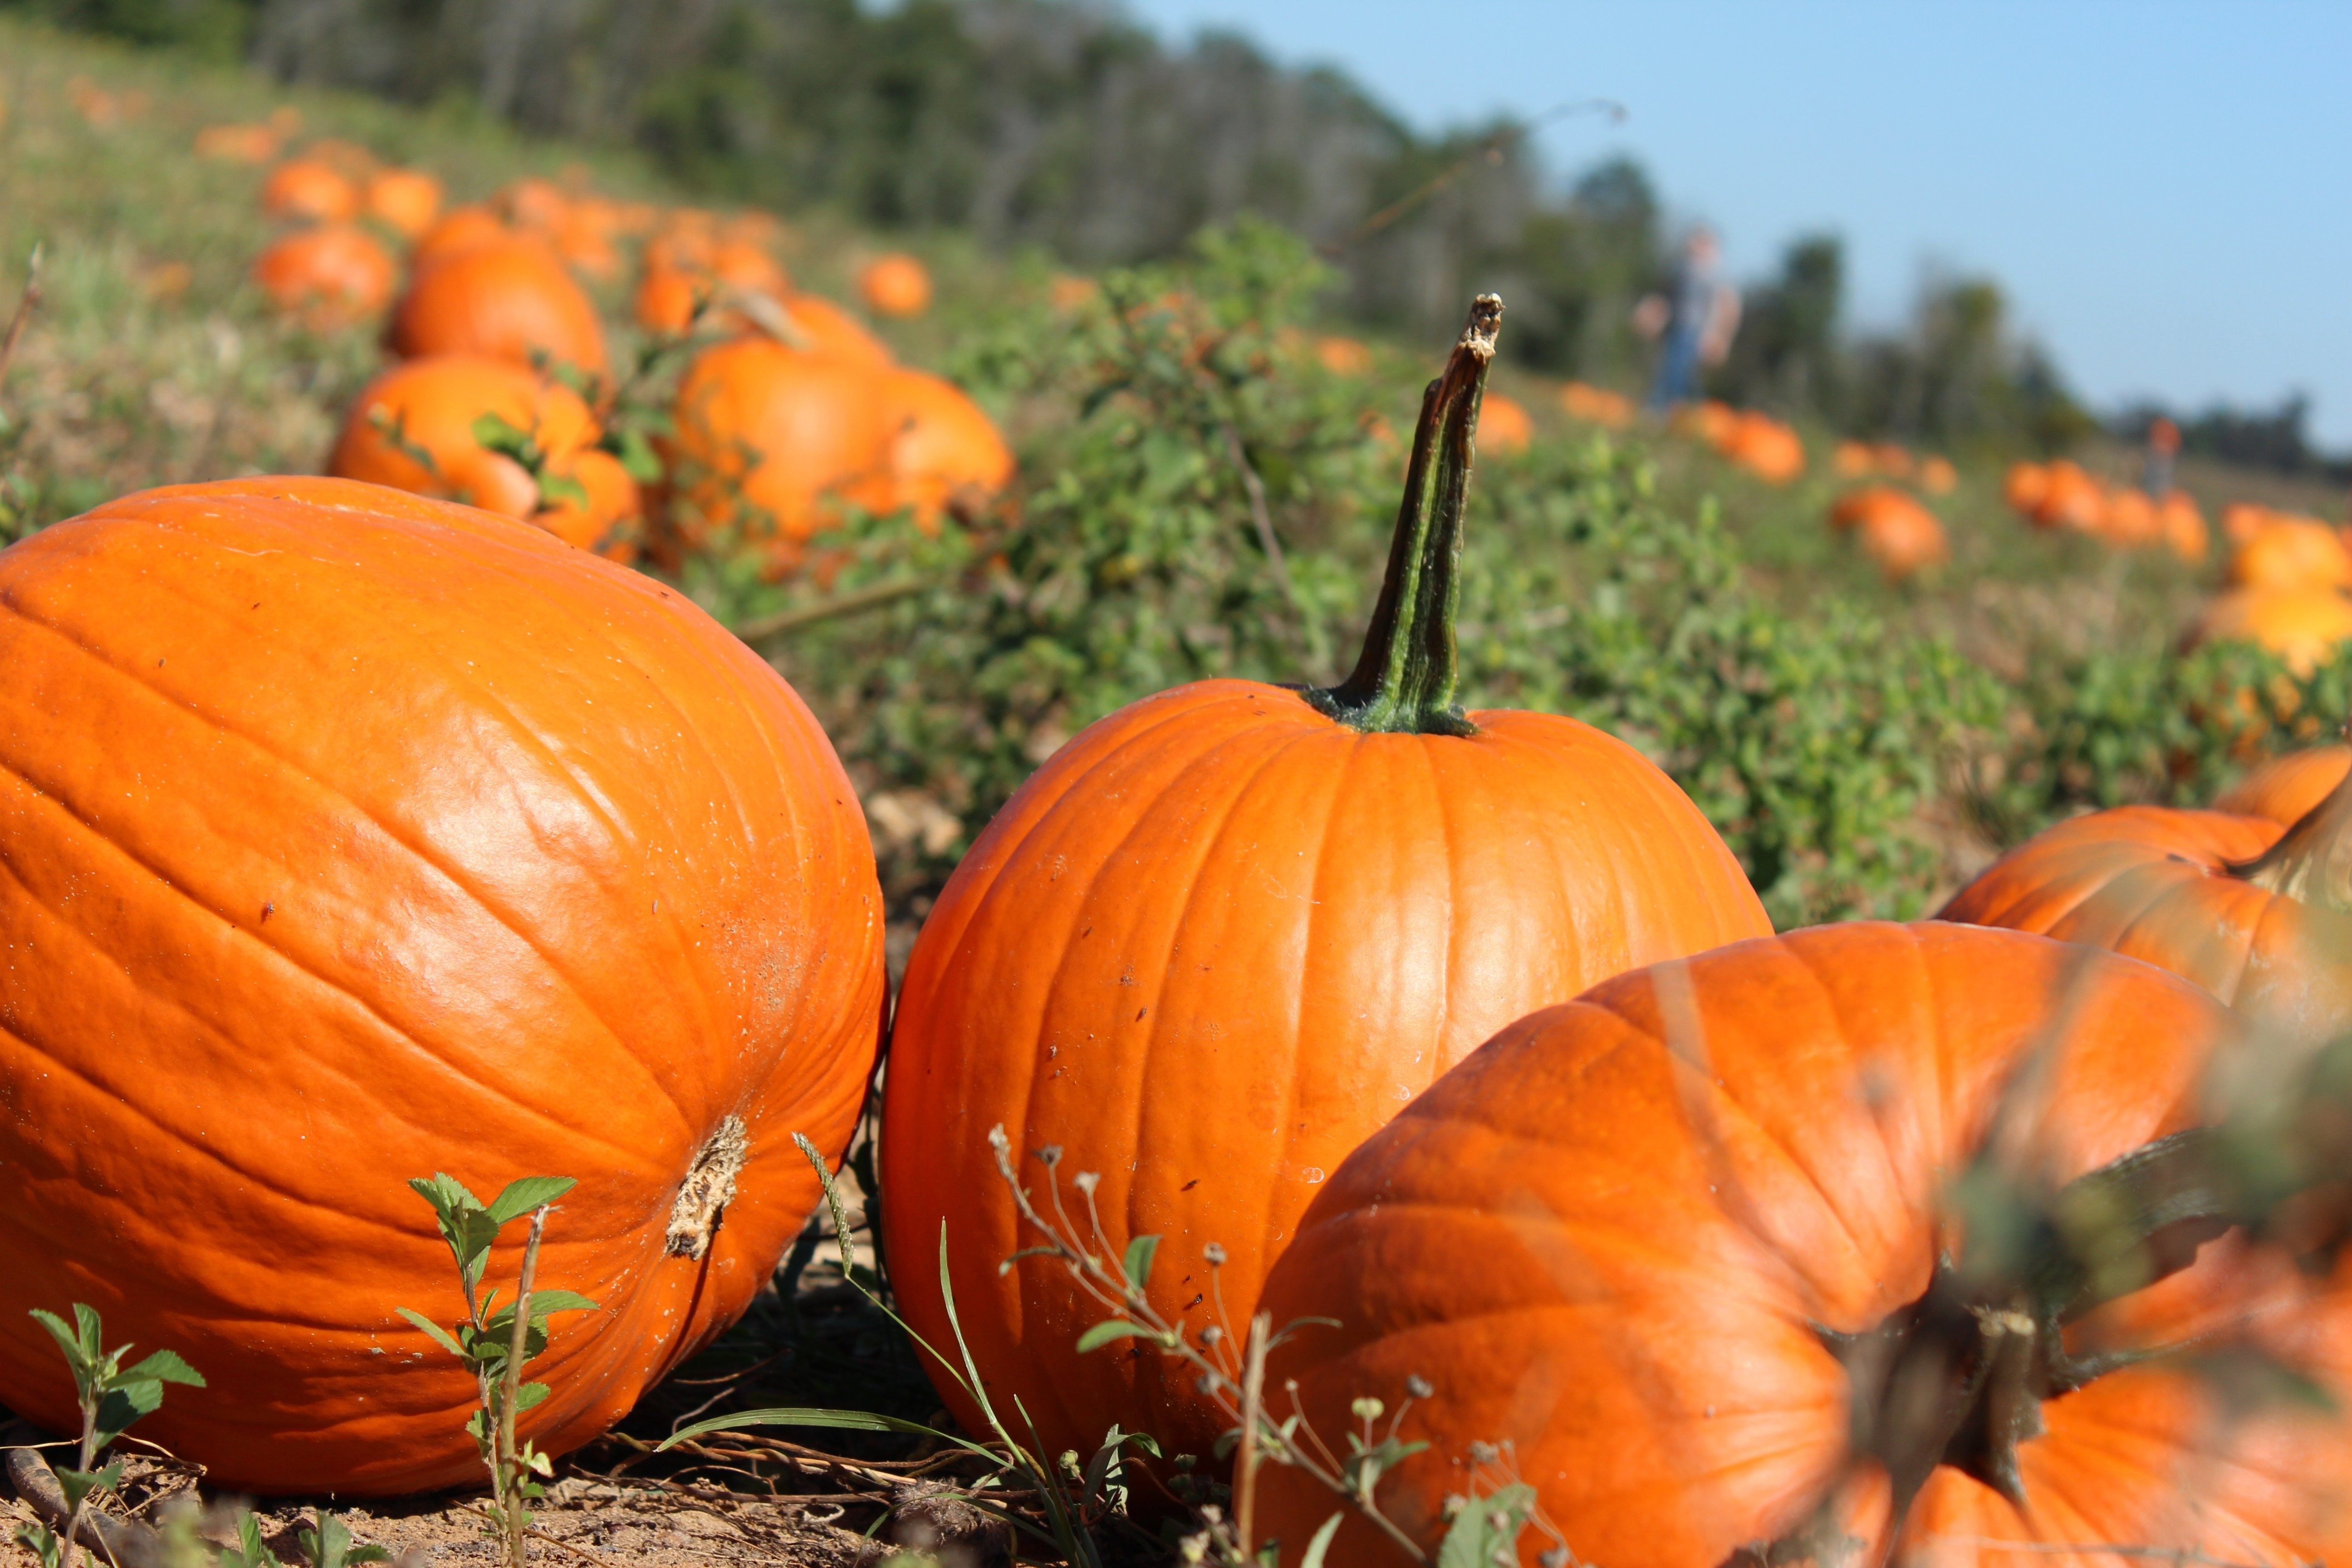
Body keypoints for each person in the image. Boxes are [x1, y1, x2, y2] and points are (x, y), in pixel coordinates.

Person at [1633, 226, 1742, 411]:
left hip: (1698, 333)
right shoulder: (1681, 270)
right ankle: (1680, 410)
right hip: (1676, 328)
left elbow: (1728, 308)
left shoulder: (1716, 276)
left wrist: (1720, 338)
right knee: (1675, 371)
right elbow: (1664, 298)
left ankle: (1664, 409)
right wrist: (1648, 315)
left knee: (1679, 372)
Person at [2145, 414, 2180, 498]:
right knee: (2150, 483)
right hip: (2156, 459)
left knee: (2163, 486)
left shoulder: (2170, 429)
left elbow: (2175, 445)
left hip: (2164, 460)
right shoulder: (2159, 427)